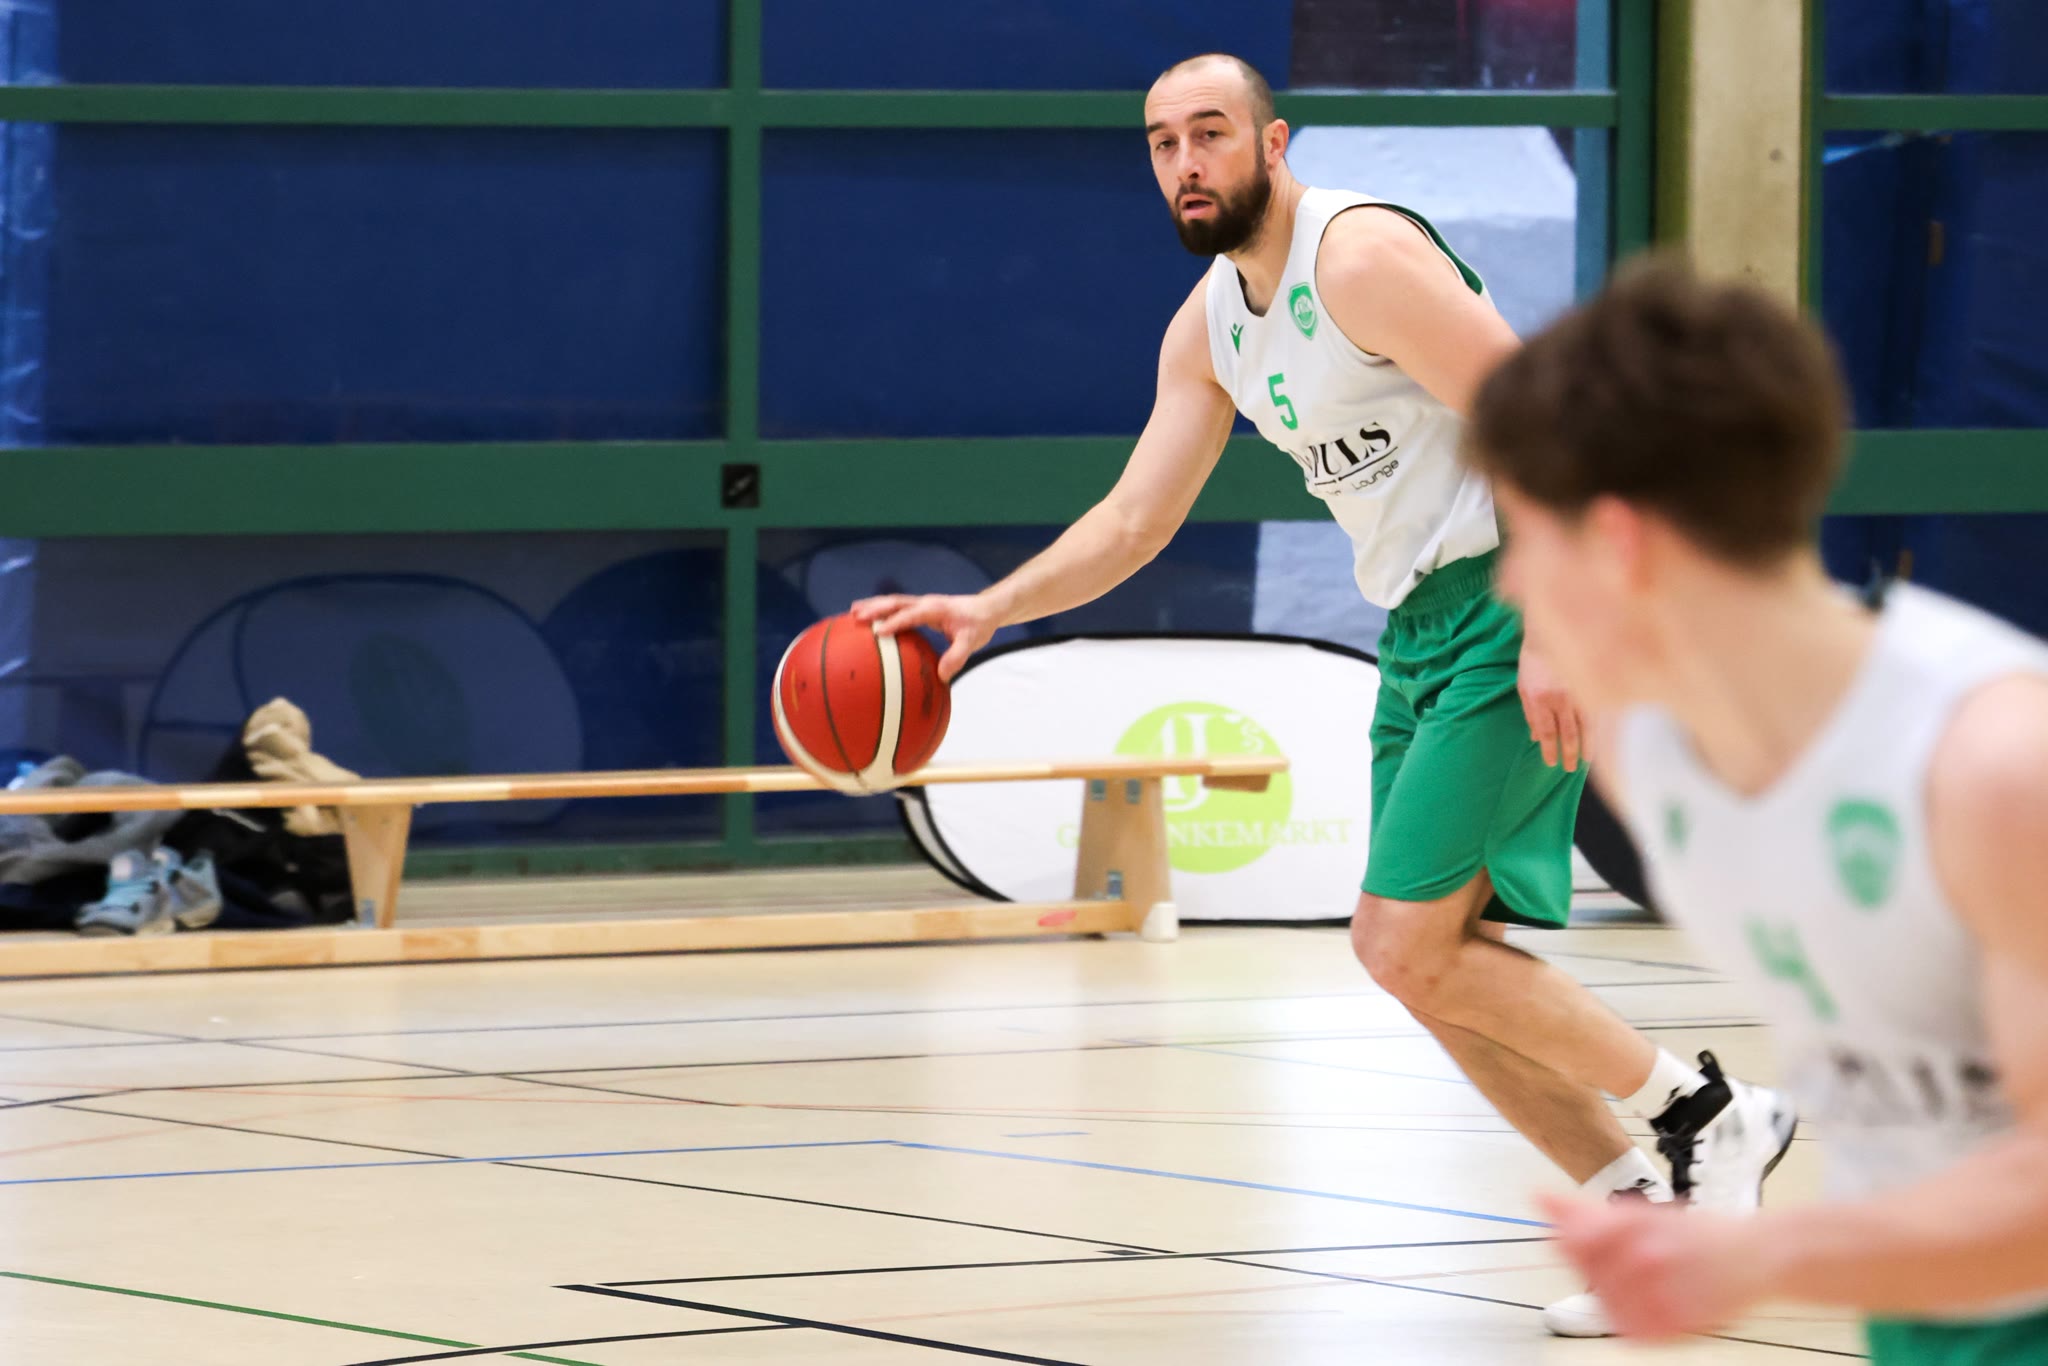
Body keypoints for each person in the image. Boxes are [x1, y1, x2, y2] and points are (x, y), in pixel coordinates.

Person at [853, 53, 1793, 1336]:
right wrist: (990, 606)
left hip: (1515, 595)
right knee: (1429, 965)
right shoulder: (1208, 326)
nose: (1186, 163)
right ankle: (1645, 1220)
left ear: (1272, 143)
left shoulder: (1355, 259)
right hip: (1419, 624)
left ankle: (1709, 1118)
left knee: (1400, 943)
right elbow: (1134, 519)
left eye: (1210, 134)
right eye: (1162, 143)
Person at [1467, 254, 2048, 1360]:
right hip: (1924, 1308)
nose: (1510, 587)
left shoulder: (1993, 768)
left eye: (1528, 542)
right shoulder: (1647, 751)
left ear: (1619, 544)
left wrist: (1762, 1257)